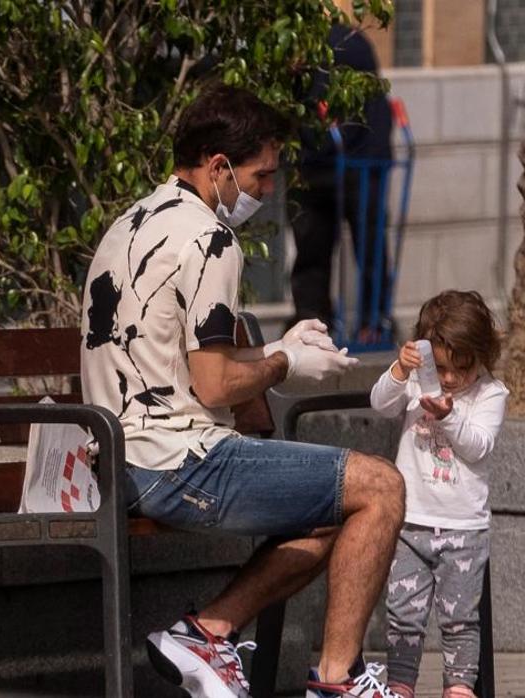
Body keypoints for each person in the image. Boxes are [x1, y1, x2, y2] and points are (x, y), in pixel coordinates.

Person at [80, 83, 406, 698]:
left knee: (338, 508)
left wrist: (279, 346)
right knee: (382, 488)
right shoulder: (210, 239)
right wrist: (283, 365)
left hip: (126, 456)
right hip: (179, 461)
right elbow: (214, 383)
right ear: (219, 166)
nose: (266, 193)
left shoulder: (130, 223)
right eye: (261, 177)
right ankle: (338, 681)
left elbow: (180, 358)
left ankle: (207, 631)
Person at [368, 290, 509, 698]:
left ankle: (460, 687)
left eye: (462, 369)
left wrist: (448, 418)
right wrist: (398, 369)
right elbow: (379, 404)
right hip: (411, 520)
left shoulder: (490, 394)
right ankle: (399, 685)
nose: (449, 379)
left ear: (482, 356)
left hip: (463, 529)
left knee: (460, 619)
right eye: (442, 368)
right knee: (403, 614)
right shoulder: (416, 382)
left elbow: (479, 446)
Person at [289, 24, 394, 339]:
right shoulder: (295, 42)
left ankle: (372, 323)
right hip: (314, 164)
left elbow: (362, 105)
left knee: (369, 246)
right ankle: (313, 322)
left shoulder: (343, 43)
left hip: (358, 160)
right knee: (312, 248)